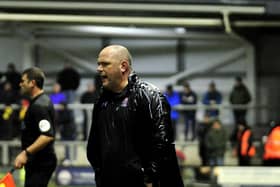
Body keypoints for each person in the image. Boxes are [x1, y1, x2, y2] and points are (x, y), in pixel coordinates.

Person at [87, 45, 184, 187]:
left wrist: (150, 177)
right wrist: (100, 172)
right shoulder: (102, 100)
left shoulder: (149, 95)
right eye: (98, 64)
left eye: (105, 64)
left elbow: (163, 142)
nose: (99, 69)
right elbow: (94, 142)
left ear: (123, 67)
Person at [13, 67, 57, 187]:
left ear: (32, 83)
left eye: (23, 81)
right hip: (37, 161)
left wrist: (25, 153)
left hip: (41, 162)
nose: (20, 84)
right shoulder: (38, 102)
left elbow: (47, 135)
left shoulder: (39, 106)